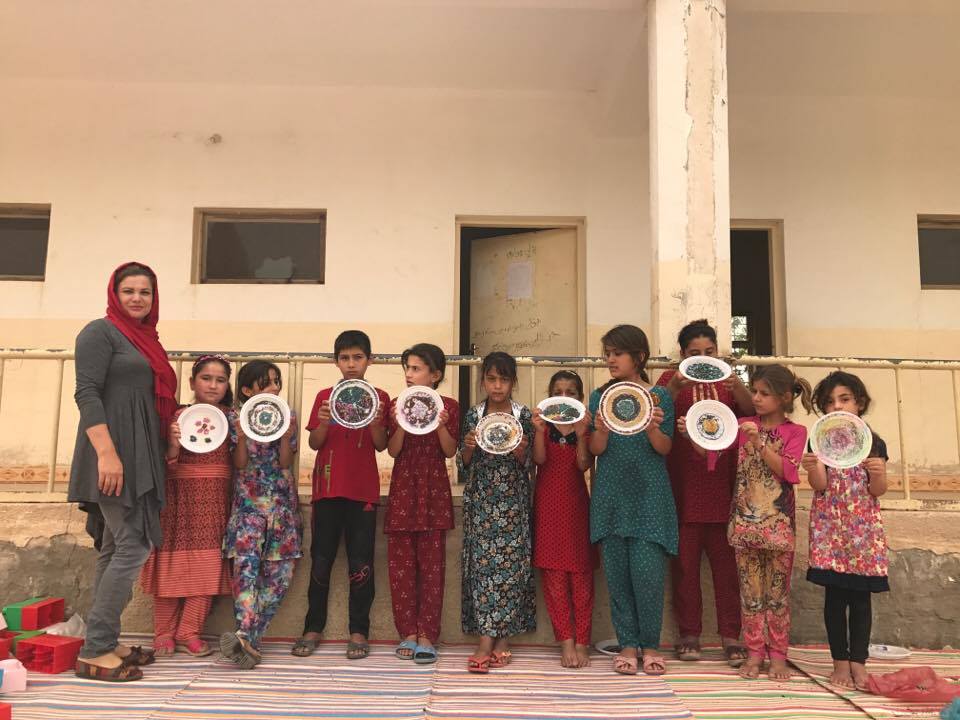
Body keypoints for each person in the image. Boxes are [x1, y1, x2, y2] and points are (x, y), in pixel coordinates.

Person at [70, 261, 177, 682]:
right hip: (110, 452)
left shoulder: (148, 339)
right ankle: (95, 649)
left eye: (145, 292)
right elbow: (86, 393)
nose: (137, 298)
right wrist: (107, 454)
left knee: (116, 546)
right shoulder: (99, 332)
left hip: (138, 452)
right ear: (115, 294)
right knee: (134, 544)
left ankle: (106, 639)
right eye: (128, 290)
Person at [683, 364, 811, 680]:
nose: (756, 398)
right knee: (750, 595)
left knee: (777, 596)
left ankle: (778, 656)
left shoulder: (795, 432)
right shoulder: (741, 425)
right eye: (754, 391)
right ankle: (754, 653)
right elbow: (712, 456)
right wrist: (692, 435)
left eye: (764, 393)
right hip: (744, 526)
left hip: (779, 527)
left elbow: (788, 471)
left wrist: (759, 444)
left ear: (784, 398)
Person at [657, 320, 750, 666]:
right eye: (694, 353)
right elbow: (654, 411)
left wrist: (737, 384)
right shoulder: (671, 379)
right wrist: (674, 386)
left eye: (709, 352)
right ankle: (689, 634)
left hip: (722, 487)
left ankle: (731, 636)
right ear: (683, 354)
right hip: (682, 486)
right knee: (685, 568)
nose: (703, 357)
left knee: (727, 570)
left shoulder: (727, 381)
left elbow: (750, 412)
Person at [293, 331, 389, 660]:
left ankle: (359, 631)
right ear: (336, 361)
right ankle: (312, 627)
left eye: (358, 357)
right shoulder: (325, 396)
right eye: (345, 358)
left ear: (369, 360)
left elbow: (381, 445)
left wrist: (376, 420)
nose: (351, 364)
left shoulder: (380, 397)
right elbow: (314, 443)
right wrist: (322, 422)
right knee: (321, 560)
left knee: (362, 563)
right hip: (327, 490)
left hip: (363, 491)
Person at [589, 325, 675, 676]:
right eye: (607, 353)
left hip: (649, 496)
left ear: (639, 356)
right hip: (611, 495)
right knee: (618, 576)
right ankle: (626, 644)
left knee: (647, 576)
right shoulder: (599, 397)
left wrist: (653, 426)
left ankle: (650, 646)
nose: (610, 360)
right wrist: (600, 429)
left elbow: (665, 448)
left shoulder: (659, 397)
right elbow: (596, 450)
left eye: (617, 353)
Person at [140, 354, 235, 657]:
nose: (213, 385)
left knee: (207, 564)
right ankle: (164, 632)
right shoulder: (178, 417)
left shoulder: (233, 419)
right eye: (206, 378)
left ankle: (188, 631)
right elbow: (163, 461)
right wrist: (172, 444)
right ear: (193, 382)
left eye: (220, 380)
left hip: (214, 499)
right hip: (177, 497)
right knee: (171, 564)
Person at [802, 371, 889, 691]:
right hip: (830, 528)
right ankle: (839, 661)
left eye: (845, 399)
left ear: (860, 402)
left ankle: (858, 662)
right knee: (835, 597)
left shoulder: (873, 442)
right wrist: (813, 467)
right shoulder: (819, 439)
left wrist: (878, 473)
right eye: (829, 402)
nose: (837, 406)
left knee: (862, 599)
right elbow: (819, 485)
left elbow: (878, 490)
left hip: (863, 531)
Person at [220, 361, 301, 669]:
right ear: (246, 389)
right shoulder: (235, 418)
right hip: (248, 503)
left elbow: (285, 462)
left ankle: (248, 640)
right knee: (246, 570)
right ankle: (245, 635)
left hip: (280, 501)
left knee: (280, 573)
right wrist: (242, 437)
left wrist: (286, 436)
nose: (274, 388)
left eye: (276, 381)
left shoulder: (287, 415)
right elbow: (240, 464)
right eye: (266, 383)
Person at [459, 351, 535, 673]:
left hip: (513, 502)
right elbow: (463, 464)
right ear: (483, 381)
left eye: (504, 379)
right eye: (491, 379)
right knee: (482, 570)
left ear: (513, 382)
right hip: (482, 503)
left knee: (512, 569)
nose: (497, 386)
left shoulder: (522, 415)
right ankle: (486, 639)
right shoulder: (474, 415)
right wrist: (468, 447)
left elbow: (531, 463)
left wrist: (521, 451)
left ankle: (503, 638)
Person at [385, 343, 459, 664]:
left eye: (416, 368)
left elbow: (450, 451)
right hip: (403, 487)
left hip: (433, 490)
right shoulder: (395, 404)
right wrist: (400, 423)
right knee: (401, 566)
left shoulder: (449, 407)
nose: (409, 374)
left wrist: (441, 423)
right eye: (407, 368)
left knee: (432, 567)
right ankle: (408, 633)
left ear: (435, 375)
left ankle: (428, 634)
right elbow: (392, 451)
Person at [531, 370, 596, 668]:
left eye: (571, 392)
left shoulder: (585, 427)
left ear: (580, 398)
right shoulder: (543, 427)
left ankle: (583, 642)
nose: (565, 397)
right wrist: (537, 431)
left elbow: (583, 464)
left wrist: (582, 436)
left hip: (577, 506)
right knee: (554, 577)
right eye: (558, 392)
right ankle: (566, 642)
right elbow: (539, 460)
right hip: (548, 506)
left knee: (582, 576)